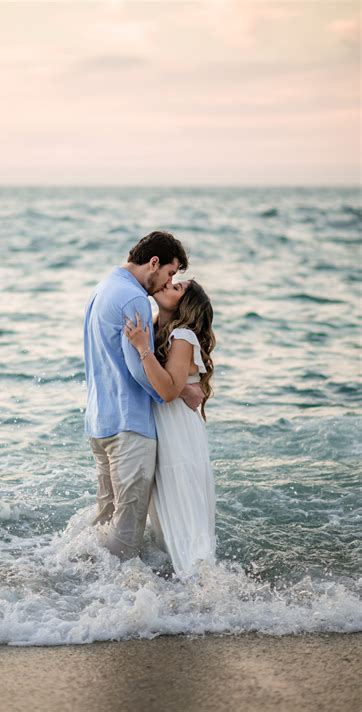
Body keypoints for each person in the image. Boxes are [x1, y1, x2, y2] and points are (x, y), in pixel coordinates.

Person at [83, 231, 204, 560]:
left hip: (100, 424)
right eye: (170, 272)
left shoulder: (103, 288)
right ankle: (114, 598)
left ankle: (79, 586)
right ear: (154, 262)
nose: (168, 281)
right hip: (129, 427)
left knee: (105, 520)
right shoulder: (134, 298)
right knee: (127, 530)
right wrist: (178, 391)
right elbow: (138, 368)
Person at [124, 278, 216, 577]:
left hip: (179, 431)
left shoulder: (182, 335)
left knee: (183, 500)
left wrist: (142, 348)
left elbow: (166, 391)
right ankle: (179, 584)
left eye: (176, 288)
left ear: (184, 304)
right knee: (166, 505)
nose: (167, 285)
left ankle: (201, 581)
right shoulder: (156, 330)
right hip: (168, 427)